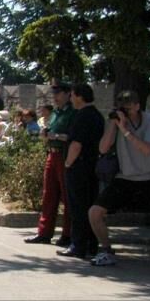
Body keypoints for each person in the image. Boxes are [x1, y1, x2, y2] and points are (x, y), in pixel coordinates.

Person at [89, 90, 150, 278]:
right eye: (122, 109)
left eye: (128, 109)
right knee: (95, 212)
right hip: (126, 177)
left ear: (137, 106)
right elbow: (103, 148)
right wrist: (114, 125)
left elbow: (147, 150)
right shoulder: (117, 122)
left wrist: (126, 131)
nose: (125, 112)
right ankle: (107, 251)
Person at [58, 82, 104, 259]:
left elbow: (76, 144)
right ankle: (92, 244)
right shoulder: (97, 115)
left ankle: (78, 245)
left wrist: (68, 163)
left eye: (72, 95)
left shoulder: (82, 116)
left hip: (79, 167)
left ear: (78, 96)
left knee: (77, 207)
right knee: (90, 204)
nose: (71, 98)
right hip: (92, 165)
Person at [26, 83, 76, 246]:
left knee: (67, 196)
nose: (55, 96)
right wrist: (46, 134)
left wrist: (57, 136)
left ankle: (67, 234)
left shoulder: (73, 113)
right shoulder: (55, 113)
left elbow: (74, 137)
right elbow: (50, 131)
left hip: (64, 154)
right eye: (54, 93)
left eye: (59, 93)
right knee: (49, 195)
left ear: (68, 94)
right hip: (52, 153)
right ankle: (44, 232)